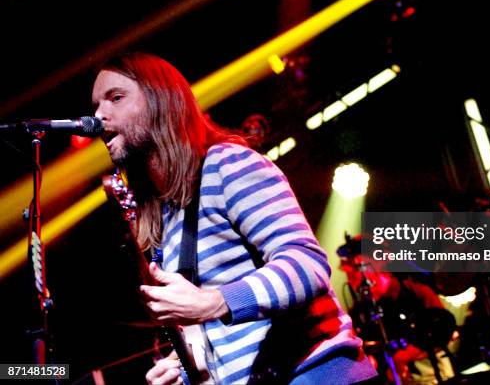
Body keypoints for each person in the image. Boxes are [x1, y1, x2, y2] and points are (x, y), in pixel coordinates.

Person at [91, 52, 377, 385]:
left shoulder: (229, 165)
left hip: (314, 374)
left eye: (115, 98)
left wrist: (214, 302)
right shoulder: (167, 217)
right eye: (96, 105)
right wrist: (186, 364)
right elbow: (216, 326)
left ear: (159, 101)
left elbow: (307, 265)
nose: (98, 115)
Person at [337, 236, 455, 385]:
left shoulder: (417, 293)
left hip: (434, 379)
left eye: (356, 267)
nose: (351, 275)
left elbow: (445, 330)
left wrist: (404, 356)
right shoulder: (359, 312)